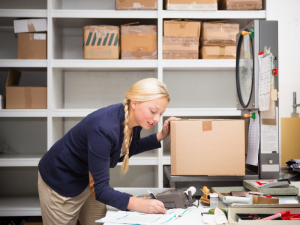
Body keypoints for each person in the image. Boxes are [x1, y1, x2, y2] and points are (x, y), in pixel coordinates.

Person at [38, 78, 178, 225]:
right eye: (153, 111)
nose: (156, 119)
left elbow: (128, 148)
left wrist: (161, 135)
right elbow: (101, 190)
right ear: (135, 102)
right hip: (61, 180)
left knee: (99, 221)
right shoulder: (103, 129)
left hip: (87, 177)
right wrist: (140, 204)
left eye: (161, 114)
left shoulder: (133, 119)